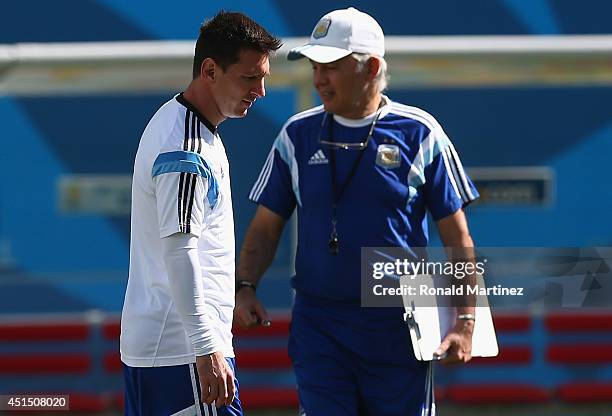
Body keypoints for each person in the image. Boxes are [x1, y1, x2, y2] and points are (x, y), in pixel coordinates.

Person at [234, 7, 478, 416]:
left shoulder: (421, 133)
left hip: (400, 329)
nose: (318, 79)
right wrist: (245, 286)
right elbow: (264, 227)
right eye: (314, 65)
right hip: (320, 328)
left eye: (331, 65)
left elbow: (458, 238)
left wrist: (465, 323)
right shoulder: (296, 135)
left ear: (372, 68)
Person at [120, 11, 281, 416]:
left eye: (263, 78)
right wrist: (206, 346)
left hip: (168, 348)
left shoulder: (190, 128)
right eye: (249, 78)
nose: (260, 91)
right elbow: (180, 250)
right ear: (210, 70)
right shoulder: (185, 145)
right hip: (182, 352)